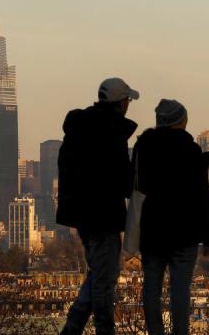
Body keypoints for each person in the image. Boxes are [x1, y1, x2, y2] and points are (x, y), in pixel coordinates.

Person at [57, 78, 139, 335]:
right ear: (120, 103)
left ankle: (73, 327)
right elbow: (122, 179)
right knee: (104, 281)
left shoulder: (79, 128)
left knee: (99, 274)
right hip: (104, 215)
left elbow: (67, 170)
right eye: (127, 100)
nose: (129, 104)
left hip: (82, 216)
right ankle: (101, 330)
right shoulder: (110, 133)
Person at [133, 99, 209, 335]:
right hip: (184, 231)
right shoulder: (190, 150)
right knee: (180, 289)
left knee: (151, 287)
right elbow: (202, 197)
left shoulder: (143, 147)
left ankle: (155, 332)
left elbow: (135, 186)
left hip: (153, 229)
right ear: (181, 121)